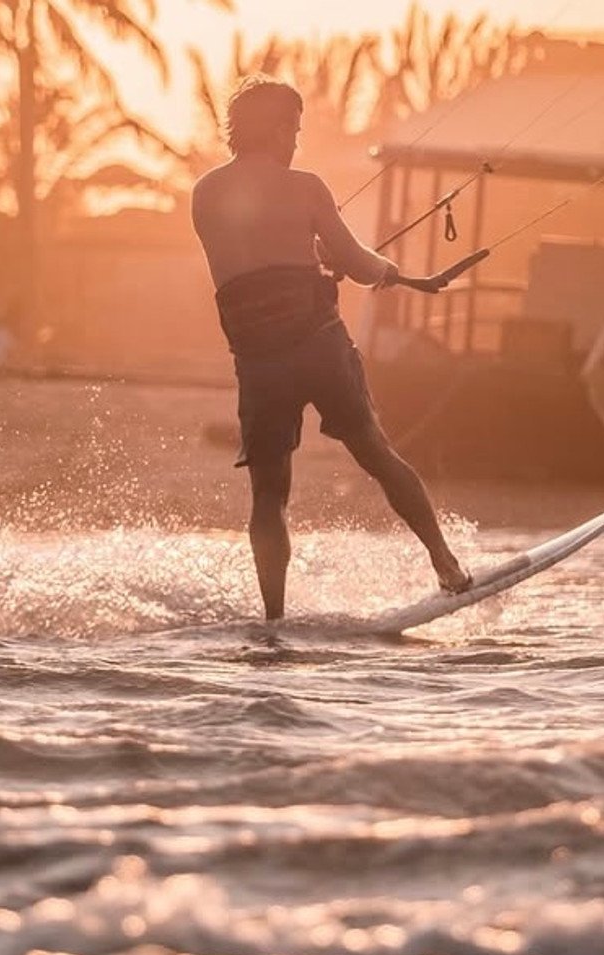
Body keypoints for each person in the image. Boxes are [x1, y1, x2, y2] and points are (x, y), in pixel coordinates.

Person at [190, 75, 469, 620]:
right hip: (318, 347)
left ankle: (274, 618)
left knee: (269, 495)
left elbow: (253, 258)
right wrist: (399, 275)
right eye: (294, 131)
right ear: (276, 130)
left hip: (259, 361)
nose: (296, 143)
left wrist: (309, 254)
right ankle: (446, 564)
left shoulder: (205, 192)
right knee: (377, 454)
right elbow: (360, 265)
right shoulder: (307, 187)